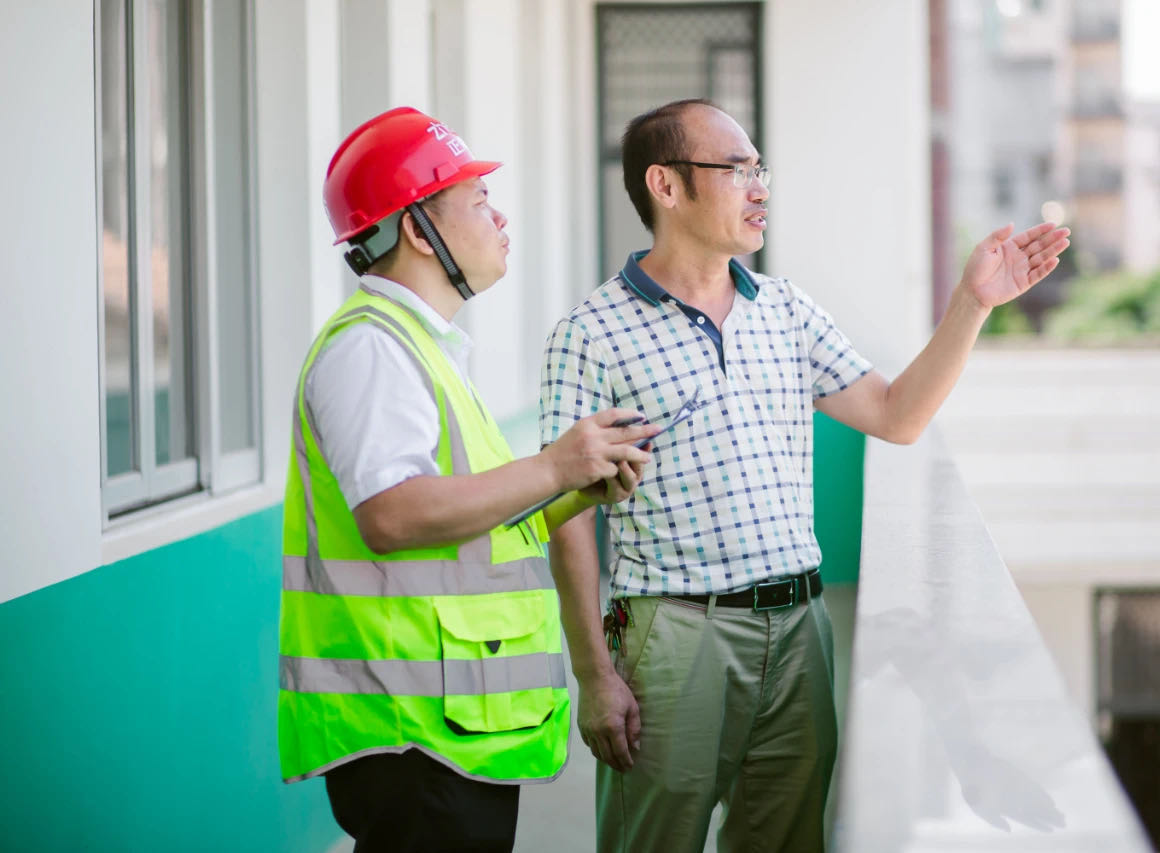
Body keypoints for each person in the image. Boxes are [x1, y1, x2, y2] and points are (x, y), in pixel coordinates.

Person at [538, 98, 1070, 852]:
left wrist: (971, 304)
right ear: (666, 185)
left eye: (761, 169)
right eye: (736, 170)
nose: (759, 188)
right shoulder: (591, 333)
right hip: (673, 635)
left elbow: (896, 415)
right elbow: (566, 515)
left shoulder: (785, 309)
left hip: (798, 630)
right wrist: (594, 674)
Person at [277, 106, 660, 853]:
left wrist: (574, 491)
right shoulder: (372, 350)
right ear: (419, 231)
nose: (501, 218)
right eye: (480, 201)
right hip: (413, 731)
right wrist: (552, 465)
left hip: (448, 724)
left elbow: (471, 526)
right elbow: (392, 515)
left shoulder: (421, 349)